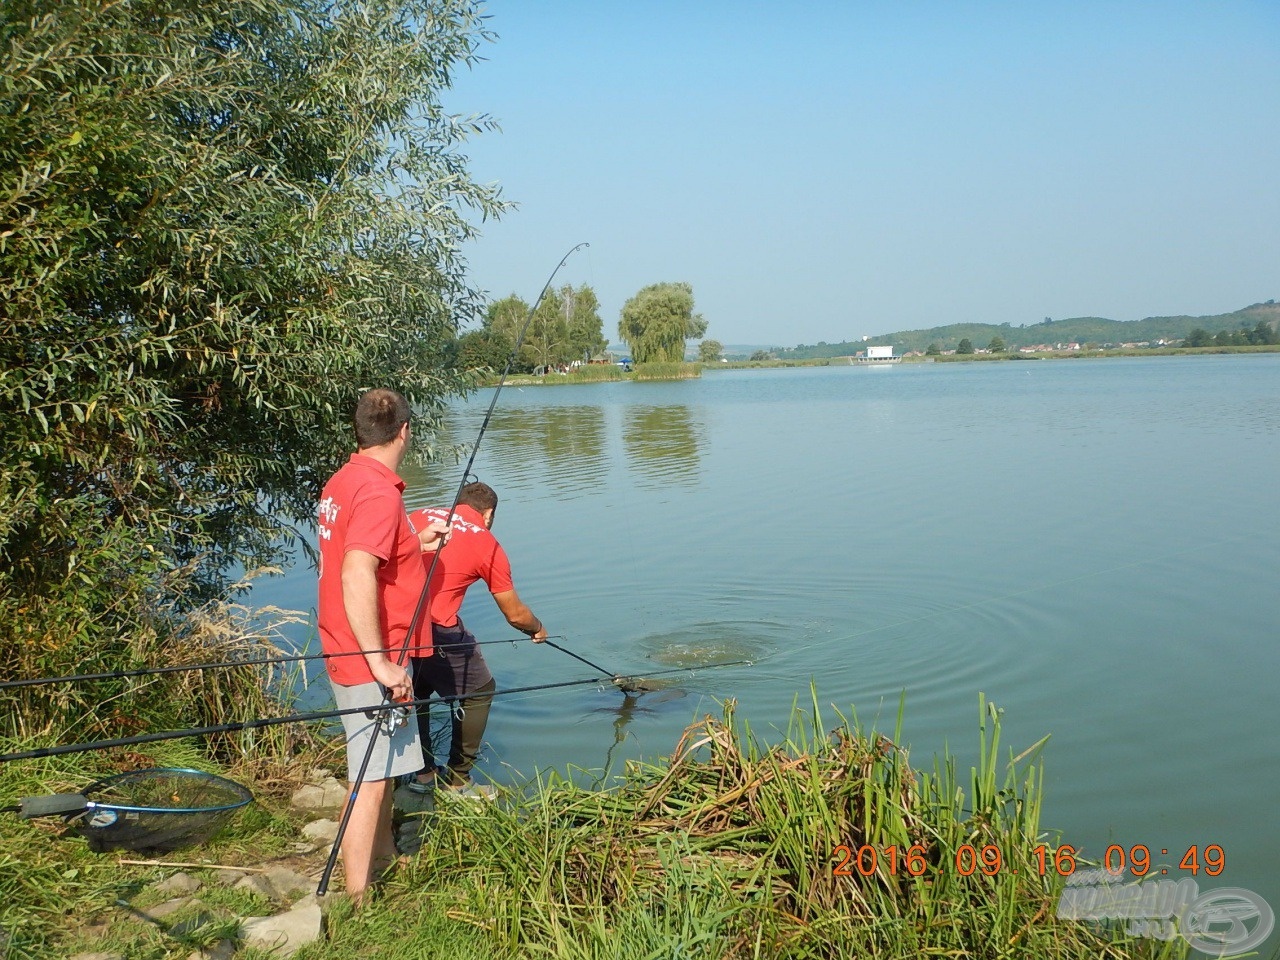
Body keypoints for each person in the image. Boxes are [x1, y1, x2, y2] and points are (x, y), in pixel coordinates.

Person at [316, 388, 447, 900]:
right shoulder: (378, 492)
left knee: (386, 766)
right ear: (405, 431)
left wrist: (413, 542)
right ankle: (358, 898)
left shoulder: (344, 480)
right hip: (369, 659)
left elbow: (363, 547)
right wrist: (380, 664)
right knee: (368, 780)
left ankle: (387, 853)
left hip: (353, 647)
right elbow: (356, 571)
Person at [406, 481, 547, 797]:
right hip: (437, 628)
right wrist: (536, 628)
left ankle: (422, 773)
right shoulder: (487, 543)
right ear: (488, 514)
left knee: (416, 691)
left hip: (395, 627)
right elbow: (514, 614)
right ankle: (458, 780)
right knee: (480, 690)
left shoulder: (418, 516)